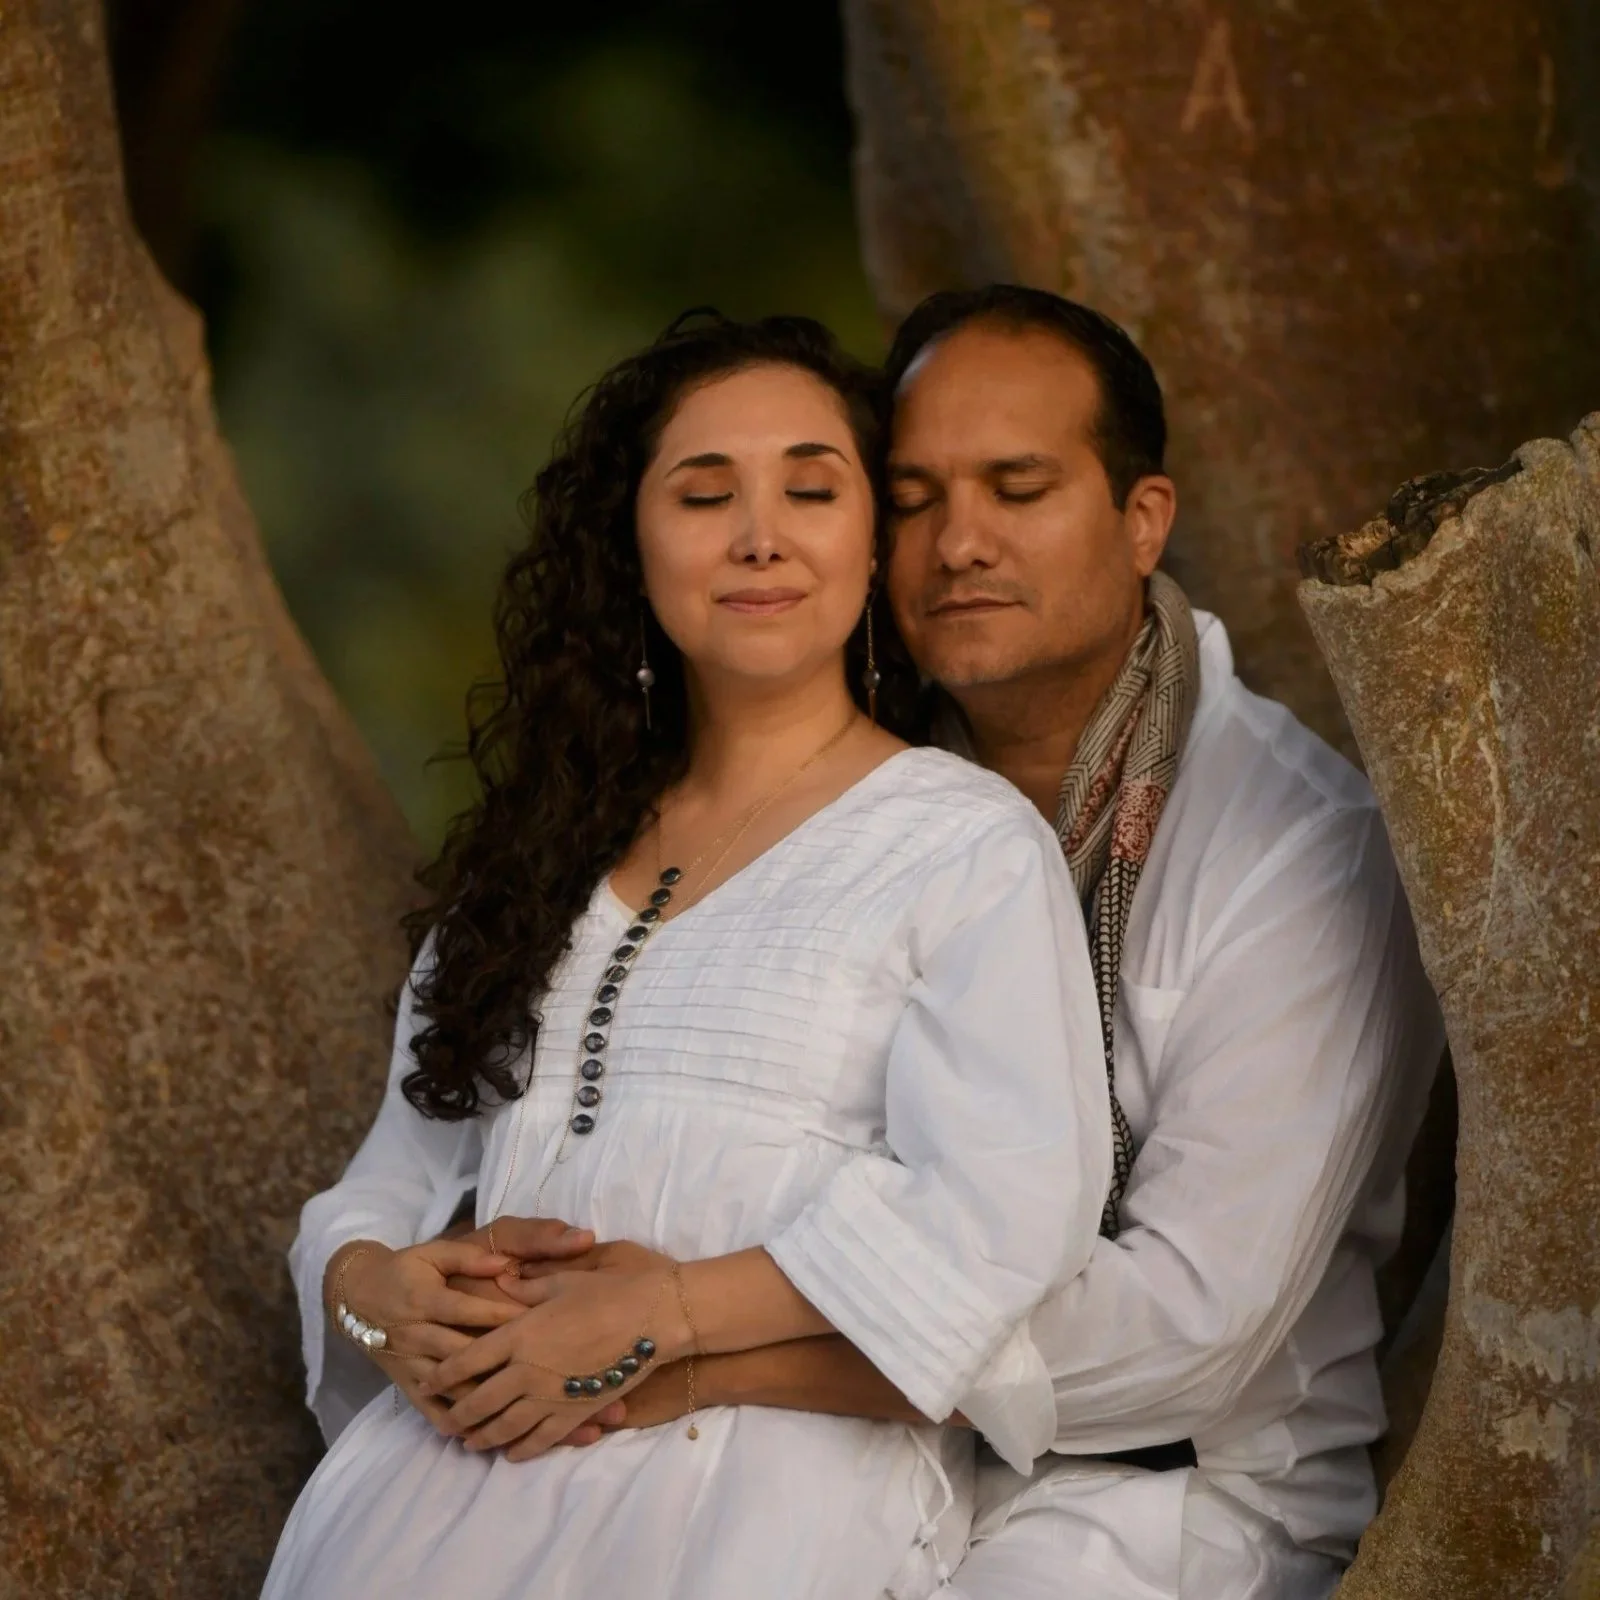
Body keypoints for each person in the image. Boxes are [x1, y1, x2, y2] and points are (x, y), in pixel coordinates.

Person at [458, 287, 1446, 1599]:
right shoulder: (853, 781)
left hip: (1151, 1495)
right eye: (914, 498)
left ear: (1142, 519)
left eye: (1018, 488)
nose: (959, 544)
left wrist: (687, 1338)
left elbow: (1189, 1335)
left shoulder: (1296, 846)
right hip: (822, 1438)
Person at [262, 312, 1116, 1600]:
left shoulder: (959, 843)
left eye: (812, 491)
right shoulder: (545, 851)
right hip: (430, 1496)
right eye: (705, 494)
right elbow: (383, 1185)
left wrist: (657, 1318)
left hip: (754, 1505)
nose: (761, 535)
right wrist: (382, 1300)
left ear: (869, 544)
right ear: (635, 547)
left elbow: (1000, 1214)